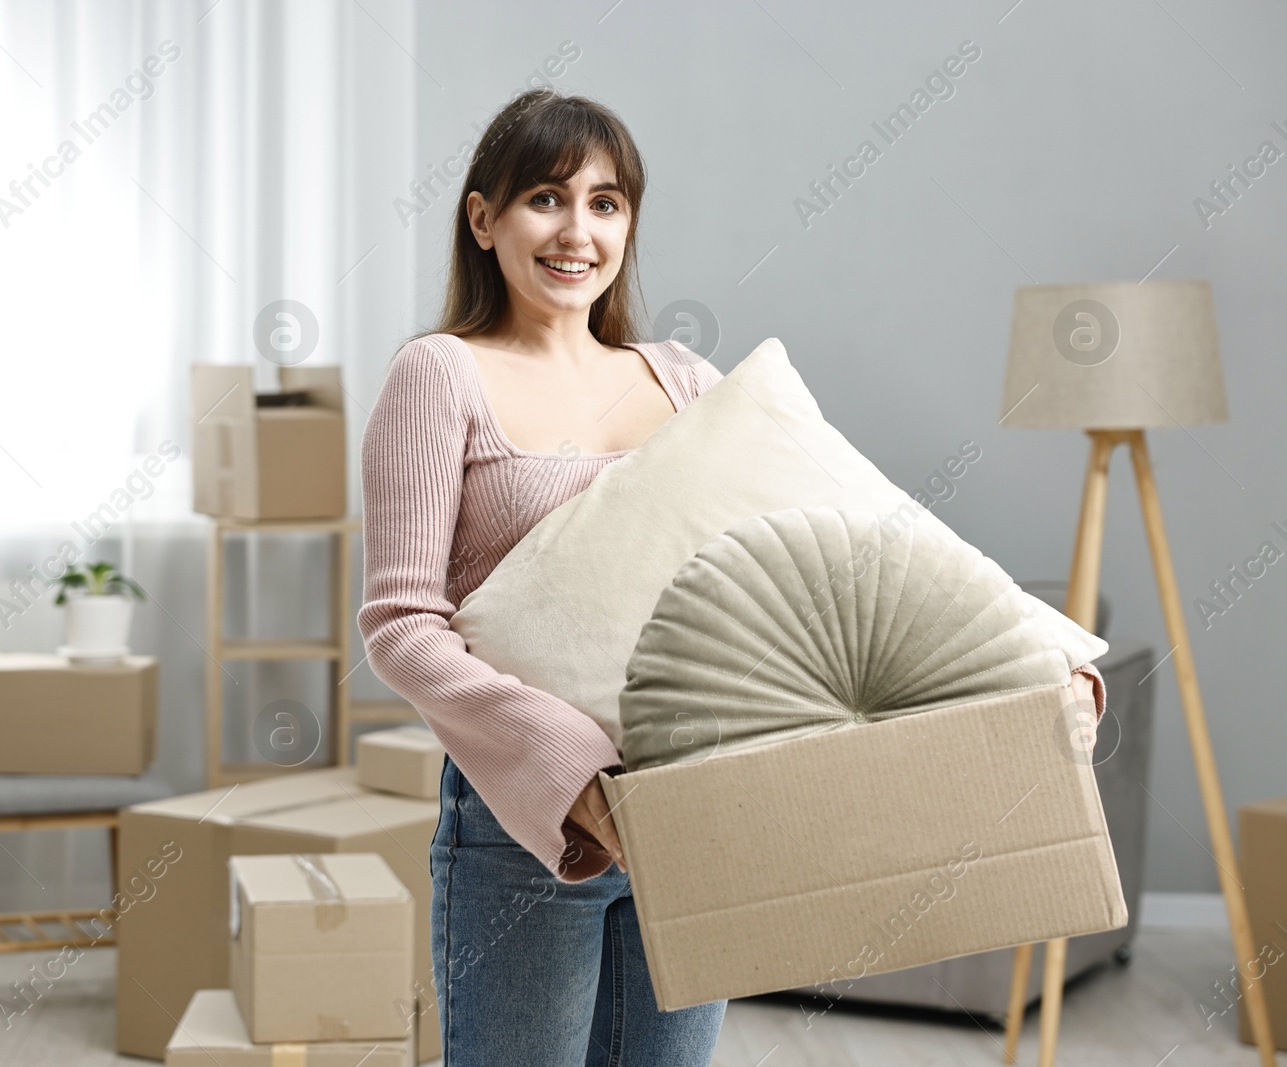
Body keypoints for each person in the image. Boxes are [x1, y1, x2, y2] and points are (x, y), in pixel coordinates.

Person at [357, 88, 1105, 1067]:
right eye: (546, 197)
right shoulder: (439, 374)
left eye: (606, 201)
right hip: (527, 825)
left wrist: (1035, 659)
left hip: (703, 811)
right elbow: (403, 626)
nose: (576, 230)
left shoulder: (684, 380)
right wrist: (573, 765)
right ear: (483, 217)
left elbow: (854, 542)